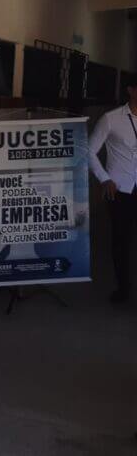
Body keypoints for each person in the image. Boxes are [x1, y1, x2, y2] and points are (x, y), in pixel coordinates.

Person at [90, 75, 137, 303]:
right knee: (121, 242)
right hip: (119, 191)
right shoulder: (111, 119)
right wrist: (104, 179)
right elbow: (89, 151)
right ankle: (123, 290)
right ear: (131, 90)